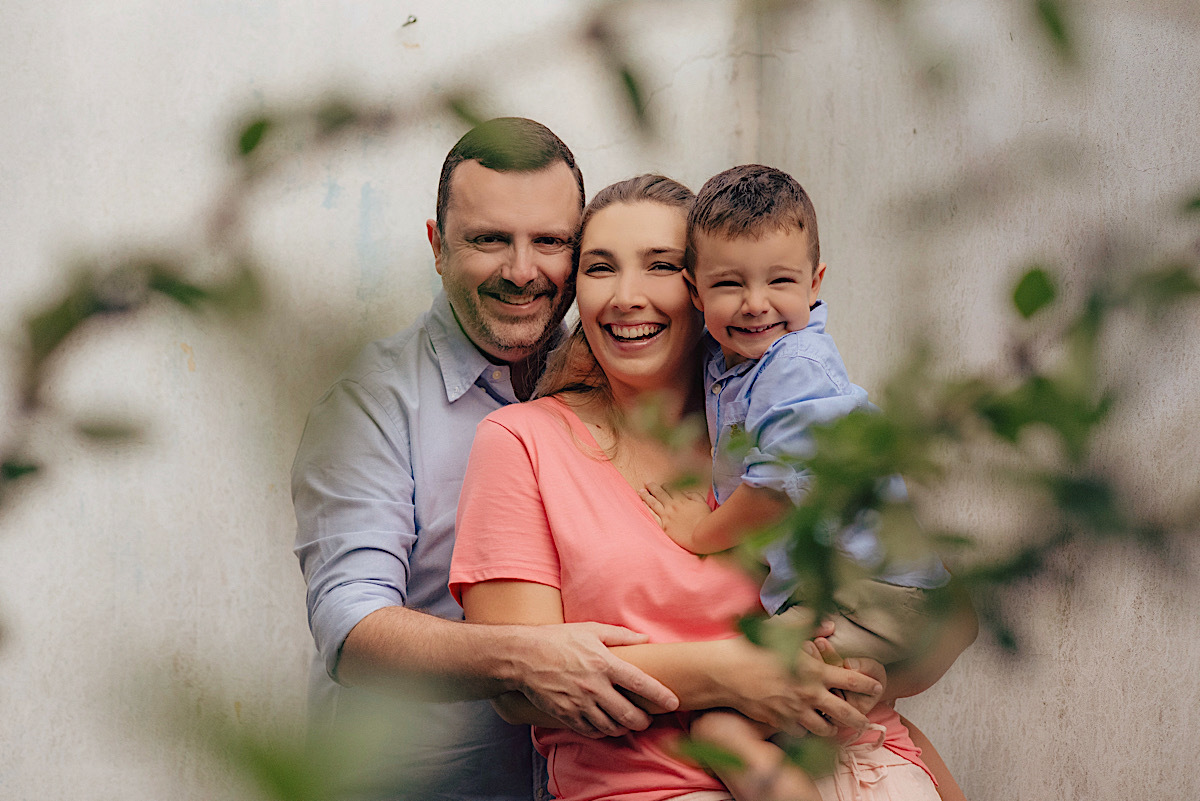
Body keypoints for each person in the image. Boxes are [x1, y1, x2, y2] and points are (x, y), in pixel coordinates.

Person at [449, 175, 970, 801]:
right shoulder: (522, 443)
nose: (626, 296)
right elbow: (522, 684)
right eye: (600, 268)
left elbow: (944, 618)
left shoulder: (765, 416)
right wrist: (734, 674)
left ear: (695, 286)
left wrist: (866, 675)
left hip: (868, 766)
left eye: (659, 266)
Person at [292, 119, 683, 801]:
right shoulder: (369, 403)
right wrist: (530, 659)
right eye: (489, 240)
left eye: (551, 242)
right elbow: (350, 626)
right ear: (438, 246)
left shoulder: (627, 379)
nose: (522, 271)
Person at [640, 164, 958, 800]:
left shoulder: (797, 367)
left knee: (722, 720)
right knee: (797, 697)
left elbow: (775, 489)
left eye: (779, 281)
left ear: (814, 283)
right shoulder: (736, 357)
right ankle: (865, 678)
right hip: (862, 592)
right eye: (729, 284)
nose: (756, 303)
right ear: (695, 292)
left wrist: (700, 533)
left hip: (874, 589)